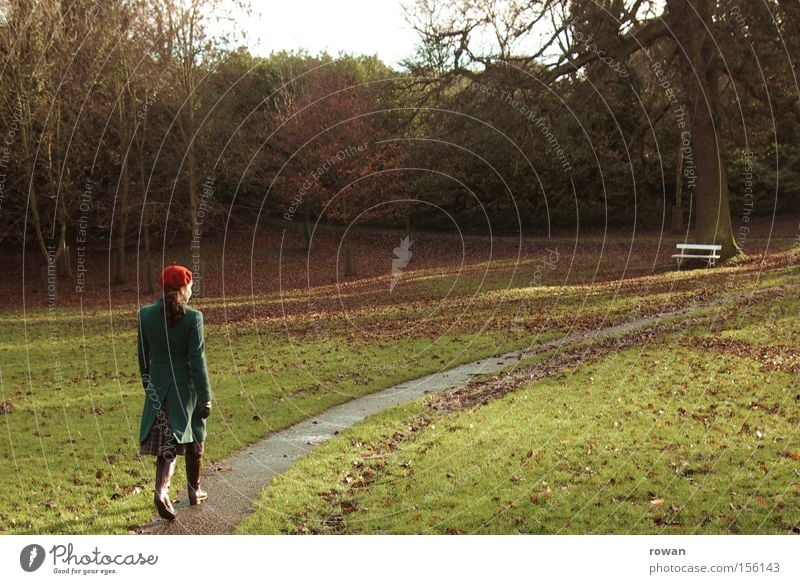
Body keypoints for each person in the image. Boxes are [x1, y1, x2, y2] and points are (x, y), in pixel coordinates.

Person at [137, 263, 213, 520]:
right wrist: (206, 397)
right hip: (187, 388)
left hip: (159, 387)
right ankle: (192, 490)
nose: (192, 289)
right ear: (183, 288)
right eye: (190, 286)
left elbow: (142, 358)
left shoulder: (145, 315)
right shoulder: (193, 318)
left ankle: (165, 489)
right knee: (194, 433)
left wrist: (151, 387)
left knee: (167, 442)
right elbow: (197, 360)